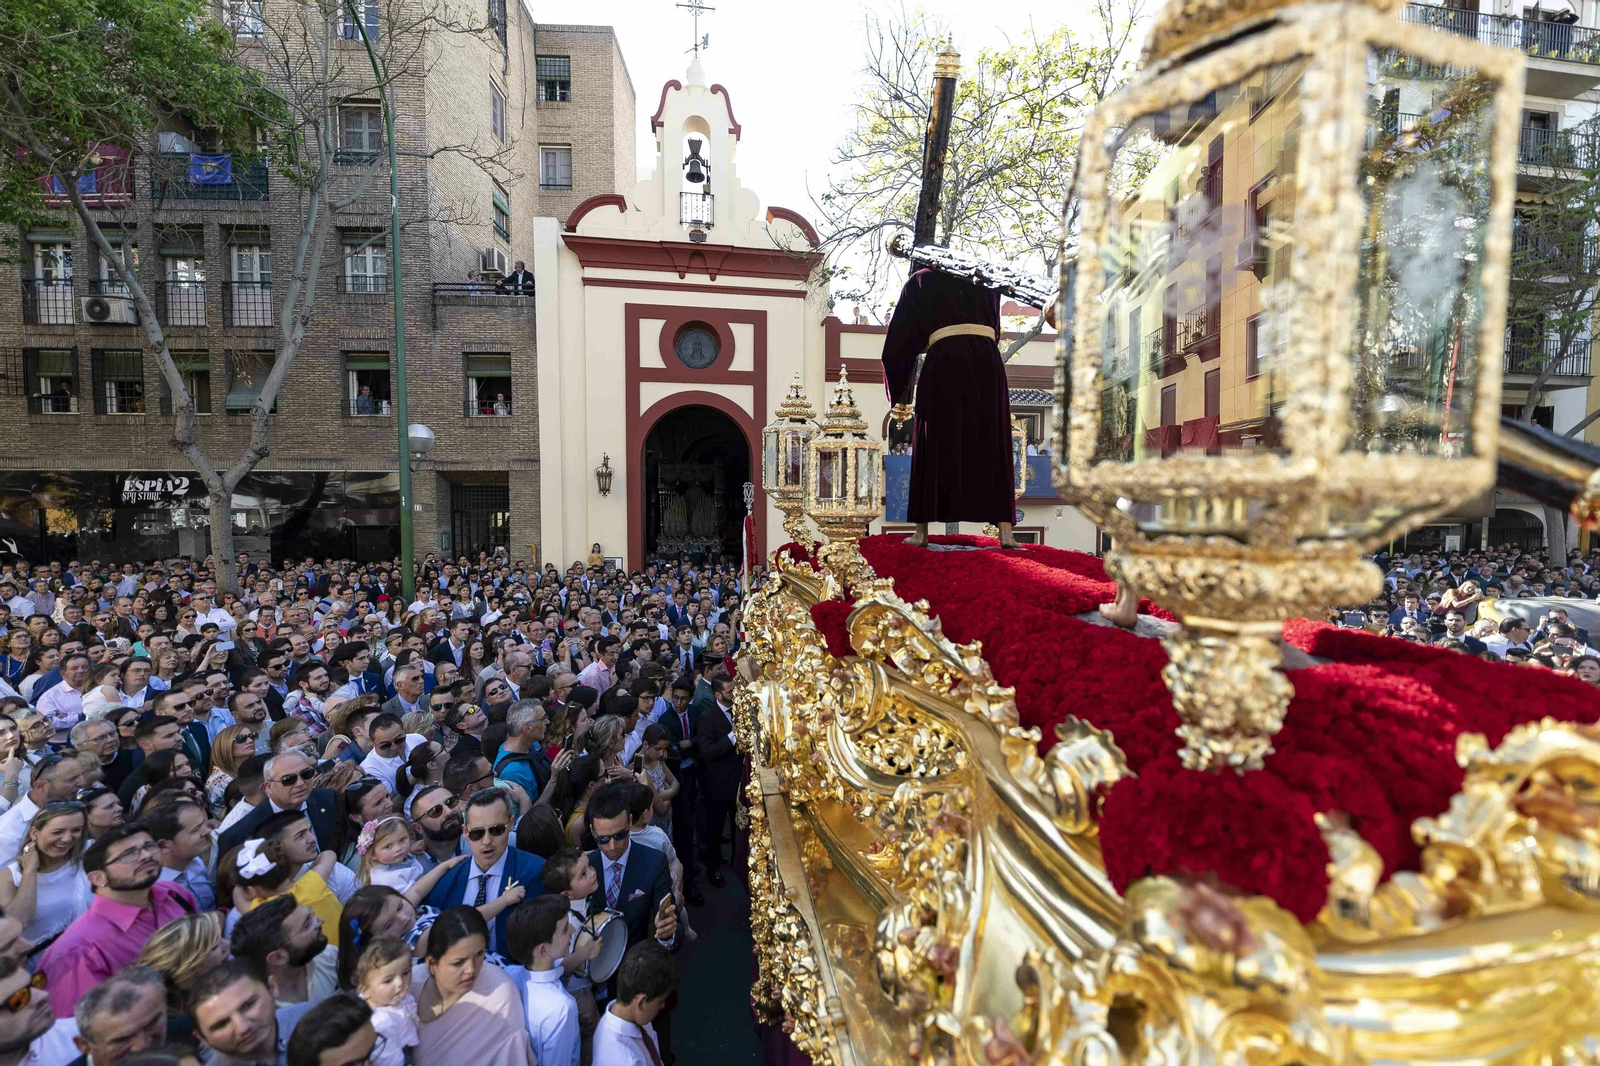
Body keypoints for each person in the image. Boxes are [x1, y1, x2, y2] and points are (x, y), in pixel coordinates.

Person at [880, 267, 1020, 548]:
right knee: (994, 439)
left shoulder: (920, 280)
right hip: (987, 363)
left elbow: (898, 343)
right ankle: (1006, 534)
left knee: (931, 442)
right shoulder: (985, 276)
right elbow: (996, 330)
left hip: (945, 360)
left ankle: (921, 533)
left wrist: (901, 396)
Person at [37, 825, 197, 1018]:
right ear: (98, 877)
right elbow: (81, 1030)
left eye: (149, 846)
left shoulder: (174, 893)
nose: (146, 855)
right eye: (128, 854)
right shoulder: (78, 951)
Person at [421, 790, 538, 959]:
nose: (486, 841)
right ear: (465, 832)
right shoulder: (445, 883)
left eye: (496, 830)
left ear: (511, 824)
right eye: (477, 833)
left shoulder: (533, 872)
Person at [412, 907, 533, 1066]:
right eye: (458, 962)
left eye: (479, 954)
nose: (471, 969)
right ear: (432, 963)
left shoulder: (499, 997)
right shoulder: (408, 984)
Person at [584, 782, 677, 957]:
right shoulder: (585, 865)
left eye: (620, 835)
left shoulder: (654, 863)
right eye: (603, 839)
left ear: (629, 822)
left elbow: (672, 925)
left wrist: (666, 932)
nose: (612, 847)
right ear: (592, 830)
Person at [0, 803, 92, 954]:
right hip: (39, 966)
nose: (67, 838)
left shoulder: (88, 862)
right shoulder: (8, 876)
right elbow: (17, 922)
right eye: (57, 832)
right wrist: (30, 871)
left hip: (86, 957)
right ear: (34, 833)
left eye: (76, 830)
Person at [189, 960, 313, 1066]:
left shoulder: (320, 1018)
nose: (242, 1028)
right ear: (202, 1038)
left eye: (248, 1005)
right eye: (222, 1024)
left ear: (272, 988)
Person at [218, 752, 339, 857]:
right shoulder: (241, 835)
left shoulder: (329, 799)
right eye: (288, 780)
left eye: (306, 774)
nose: (300, 783)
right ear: (268, 787)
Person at [506, 896, 579, 1066]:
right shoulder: (562, 1008)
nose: (573, 930)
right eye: (565, 929)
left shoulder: (509, 976)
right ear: (543, 950)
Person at [228, 896, 332, 1006]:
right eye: (307, 925)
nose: (320, 921)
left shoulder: (330, 958)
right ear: (277, 957)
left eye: (311, 916)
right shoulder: (264, 1014)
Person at [591, 942, 677, 1066]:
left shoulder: (633, 1016)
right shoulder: (624, 1060)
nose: (663, 1005)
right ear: (641, 1002)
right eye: (661, 1000)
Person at [693, 674, 741, 888]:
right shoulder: (707, 717)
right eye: (730, 692)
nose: (734, 694)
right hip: (717, 785)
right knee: (715, 829)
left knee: (738, 825)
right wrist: (732, 737)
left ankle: (737, 862)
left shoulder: (740, 710)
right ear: (718, 694)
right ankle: (713, 868)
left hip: (739, 782)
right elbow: (707, 751)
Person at [68, 965, 167, 1066]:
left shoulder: (182, 1033)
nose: (142, 1046)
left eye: (151, 1024)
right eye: (122, 1040)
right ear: (84, 1045)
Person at [0, 755, 86, 866]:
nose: (82, 783)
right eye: (71, 780)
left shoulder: (80, 802)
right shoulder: (9, 832)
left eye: (81, 775)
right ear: (41, 786)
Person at [350, 938, 417, 1066]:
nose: (400, 983)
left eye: (405, 973)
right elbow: (391, 1061)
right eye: (388, 981)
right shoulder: (380, 1023)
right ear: (365, 990)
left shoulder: (388, 999)